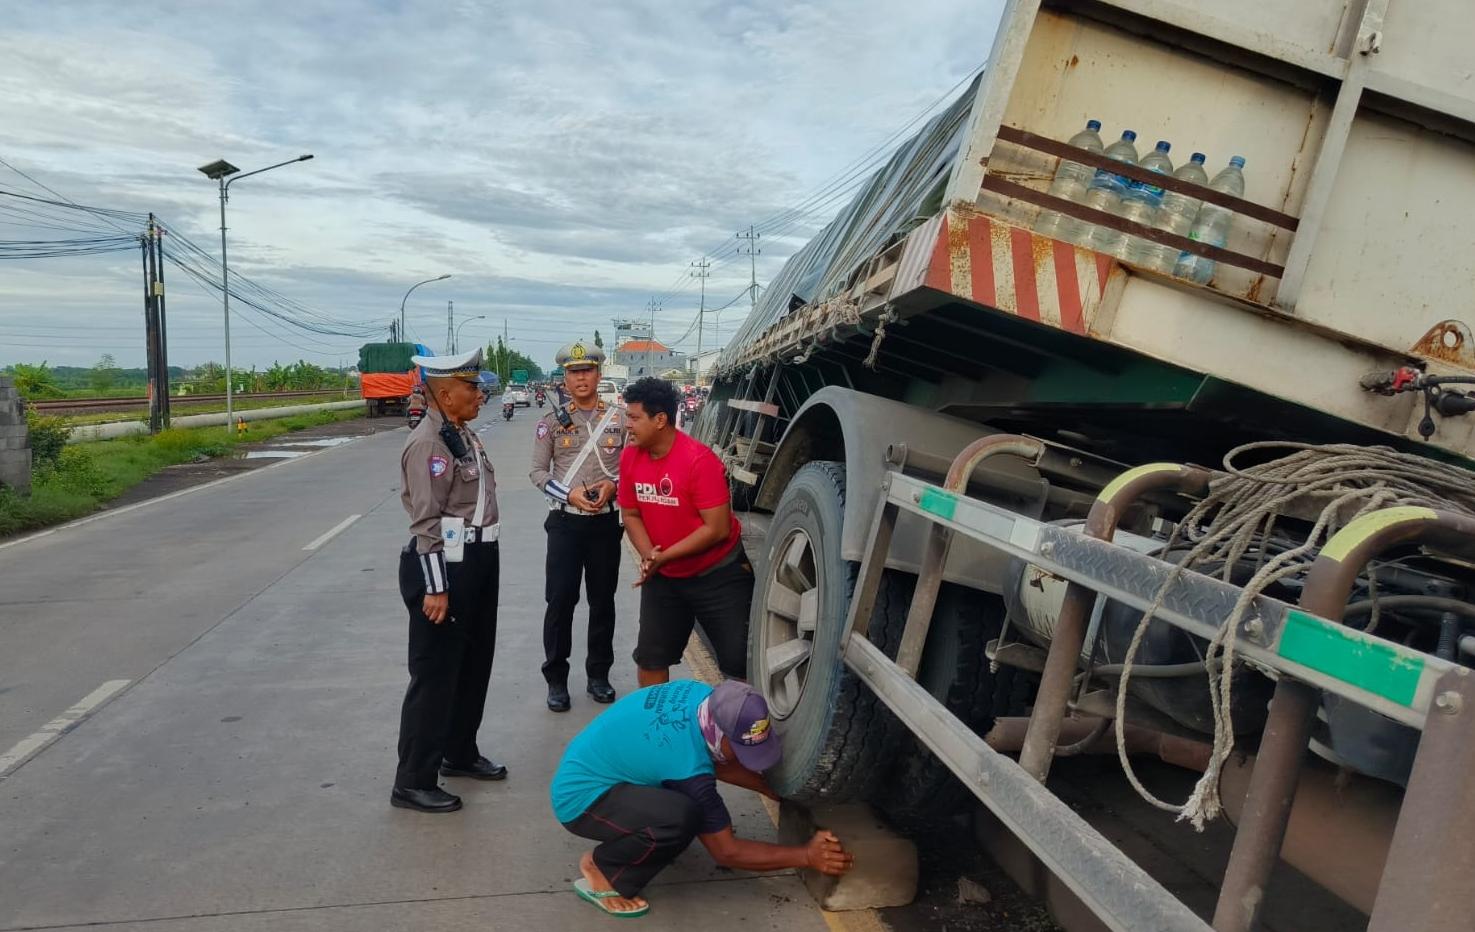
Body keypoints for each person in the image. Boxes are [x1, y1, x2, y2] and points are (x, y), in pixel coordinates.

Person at [550, 679, 853, 917]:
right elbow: (727, 853)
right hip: (581, 800)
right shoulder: (688, 768)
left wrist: (767, 788)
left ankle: (640, 826)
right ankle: (603, 868)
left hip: (608, 767)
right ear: (720, 736)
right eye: (745, 751)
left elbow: (718, 759)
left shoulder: (706, 700)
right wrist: (806, 856)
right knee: (680, 818)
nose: (753, 760)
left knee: (685, 808)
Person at [391, 347, 507, 814]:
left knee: (474, 664)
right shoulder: (429, 445)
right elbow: (426, 522)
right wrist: (436, 587)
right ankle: (413, 779)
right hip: (445, 568)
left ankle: (458, 752)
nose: (479, 393)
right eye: (471, 386)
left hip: (478, 560)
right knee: (435, 676)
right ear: (445, 392)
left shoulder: (459, 433)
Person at [618, 377, 752, 685]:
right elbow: (631, 512)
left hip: (718, 575)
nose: (628, 424)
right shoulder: (630, 457)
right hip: (664, 577)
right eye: (628, 417)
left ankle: (732, 731)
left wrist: (663, 557)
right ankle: (656, 728)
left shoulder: (698, 461)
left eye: (635, 417)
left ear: (661, 419)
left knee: (737, 666)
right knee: (651, 659)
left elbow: (716, 529)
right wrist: (649, 555)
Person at [529, 340, 628, 712]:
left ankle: (598, 675)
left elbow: (630, 466)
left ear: (598, 375)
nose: (581, 377)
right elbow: (537, 471)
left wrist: (613, 486)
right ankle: (556, 679)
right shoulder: (550, 423)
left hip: (605, 525)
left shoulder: (619, 419)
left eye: (587, 370)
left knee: (603, 602)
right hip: (565, 525)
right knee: (560, 602)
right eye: (573, 372)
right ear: (564, 379)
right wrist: (569, 495)